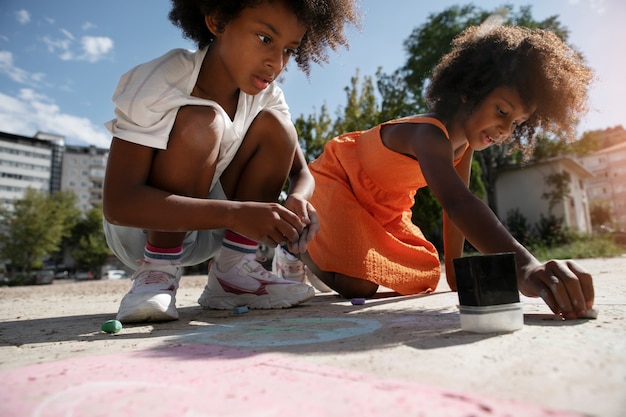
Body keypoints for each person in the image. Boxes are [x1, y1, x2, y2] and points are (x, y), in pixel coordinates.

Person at [296, 25, 596, 320]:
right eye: (502, 111)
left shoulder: (462, 146)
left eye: (516, 123)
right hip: (338, 183)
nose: (505, 129)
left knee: (425, 273)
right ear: (469, 91)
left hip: (384, 210)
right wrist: (527, 267)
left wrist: (455, 277)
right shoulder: (428, 135)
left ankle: (331, 255)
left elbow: (455, 211)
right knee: (359, 285)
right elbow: (458, 204)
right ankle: (300, 251)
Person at [102, 0, 360, 323]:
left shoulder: (267, 96)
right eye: (265, 39)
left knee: (280, 130)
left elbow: (302, 174)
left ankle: (233, 273)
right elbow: (118, 204)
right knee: (203, 123)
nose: (276, 63)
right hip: (141, 231)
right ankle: (157, 273)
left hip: (213, 228)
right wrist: (237, 214)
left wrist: (298, 201)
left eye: (289, 50)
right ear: (217, 20)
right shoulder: (161, 80)